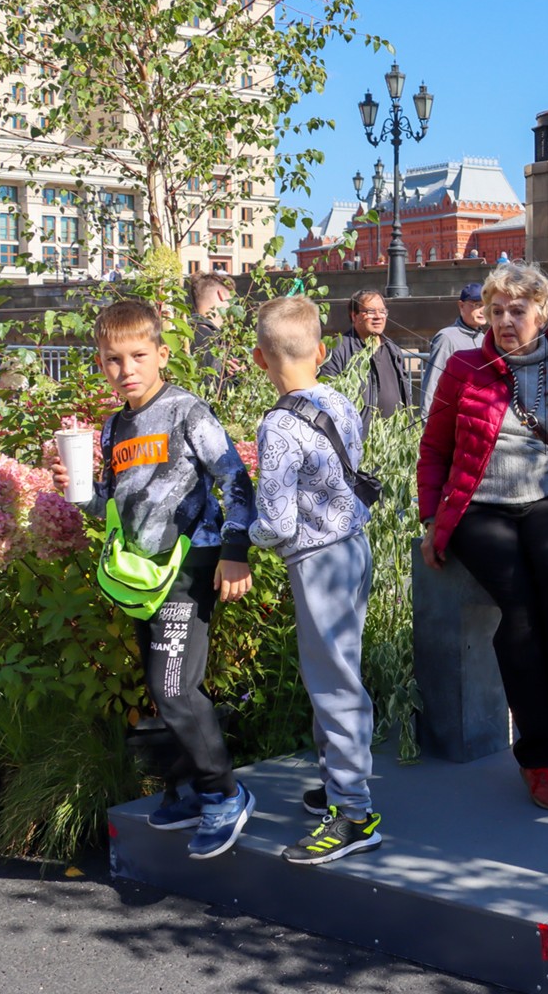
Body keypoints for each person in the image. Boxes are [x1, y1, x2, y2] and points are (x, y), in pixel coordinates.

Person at [416, 262, 548, 813]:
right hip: (478, 505)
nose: (506, 321)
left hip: (547, 498)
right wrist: (431, 520)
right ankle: (539, 760)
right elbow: (435, 447)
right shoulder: (465, 367)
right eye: (497, 311)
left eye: (518, 310)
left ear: (542, 313)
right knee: (521, 614)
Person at [51, 299, 258, 860]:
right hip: (140, 574)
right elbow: (116, 504)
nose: (127, 370)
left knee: (173, 686)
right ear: (101, 364)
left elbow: (236, 481)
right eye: (113, 360)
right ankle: (189, 788)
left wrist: (235, 552)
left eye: (139, 355)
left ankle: (225, 795)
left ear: (162, 354)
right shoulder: (114, 425)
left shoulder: (187, 412)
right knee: (162, 684)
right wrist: (76, 488)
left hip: (191, 564)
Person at [249, 295, 381, 865]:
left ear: (260, 359)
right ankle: (338, 785)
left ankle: (353, 813)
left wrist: (242, 534)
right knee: (340, 670)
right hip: (354, 546)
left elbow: (275, 521)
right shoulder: (339, 401)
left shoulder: (277, 425)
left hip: (316, 560)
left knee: (332, 683)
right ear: (323, 351)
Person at [319, 289, 413, 423]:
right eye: (370, 312)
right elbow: (328, 396)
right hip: (356, 437)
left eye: (382, 311)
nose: (378, 316)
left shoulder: (393, 350)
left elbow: (405, 394)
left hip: (393, 436)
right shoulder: (338, 348)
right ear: (354, 316)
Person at [419, 281, 486, 418]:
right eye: (477, 305)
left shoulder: (484, 339)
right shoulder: (446, 337)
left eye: (487, 305)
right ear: (461, 306)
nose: (483, 310)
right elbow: (432, 382)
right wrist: (428, 424)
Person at [188, 272, 235, 379]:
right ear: (221, 295)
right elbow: (210, 390)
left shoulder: (187, 331)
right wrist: (236, 379)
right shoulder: (207, 338)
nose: (234, 305)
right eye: (232, 298)